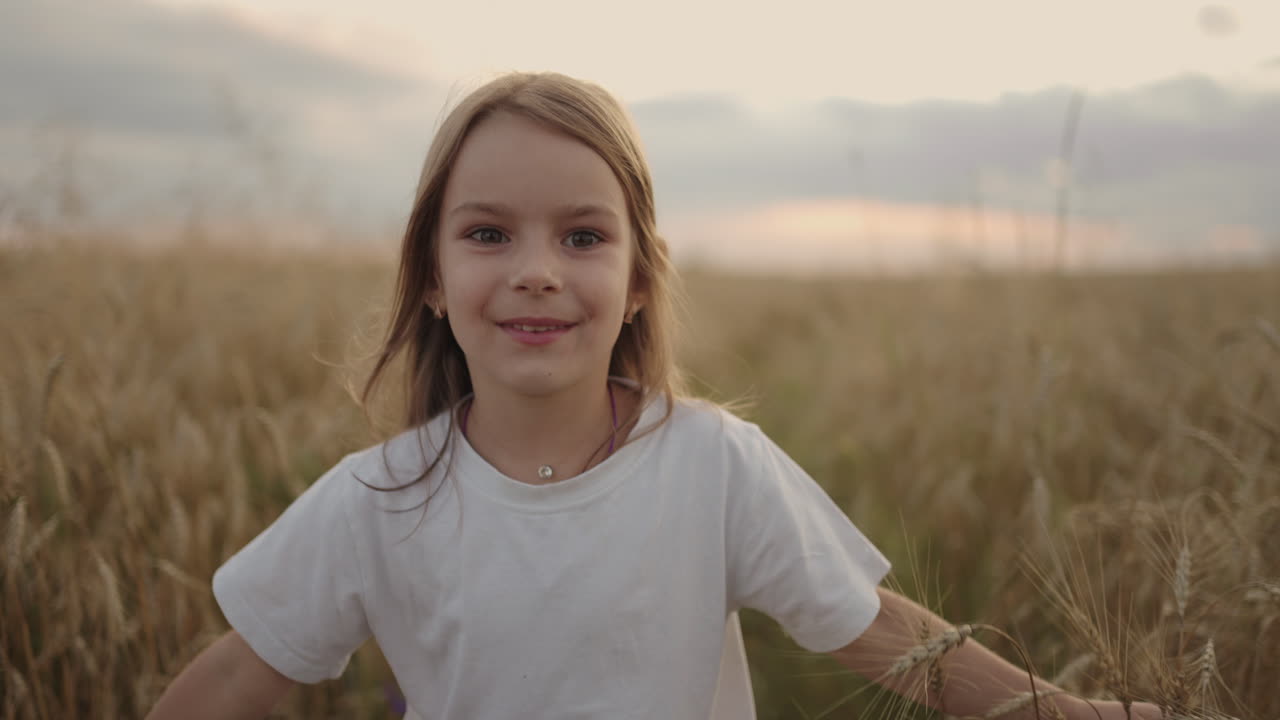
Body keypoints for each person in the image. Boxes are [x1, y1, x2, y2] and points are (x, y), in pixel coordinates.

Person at [147, 72, 1160, 720]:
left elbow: (878, 631)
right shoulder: (379, 498)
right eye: (488, 233)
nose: (537, 270)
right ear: (428, 276)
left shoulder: (709, 466)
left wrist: (1058, 712)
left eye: (582, 236)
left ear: (638, 280)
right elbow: (245, 671)